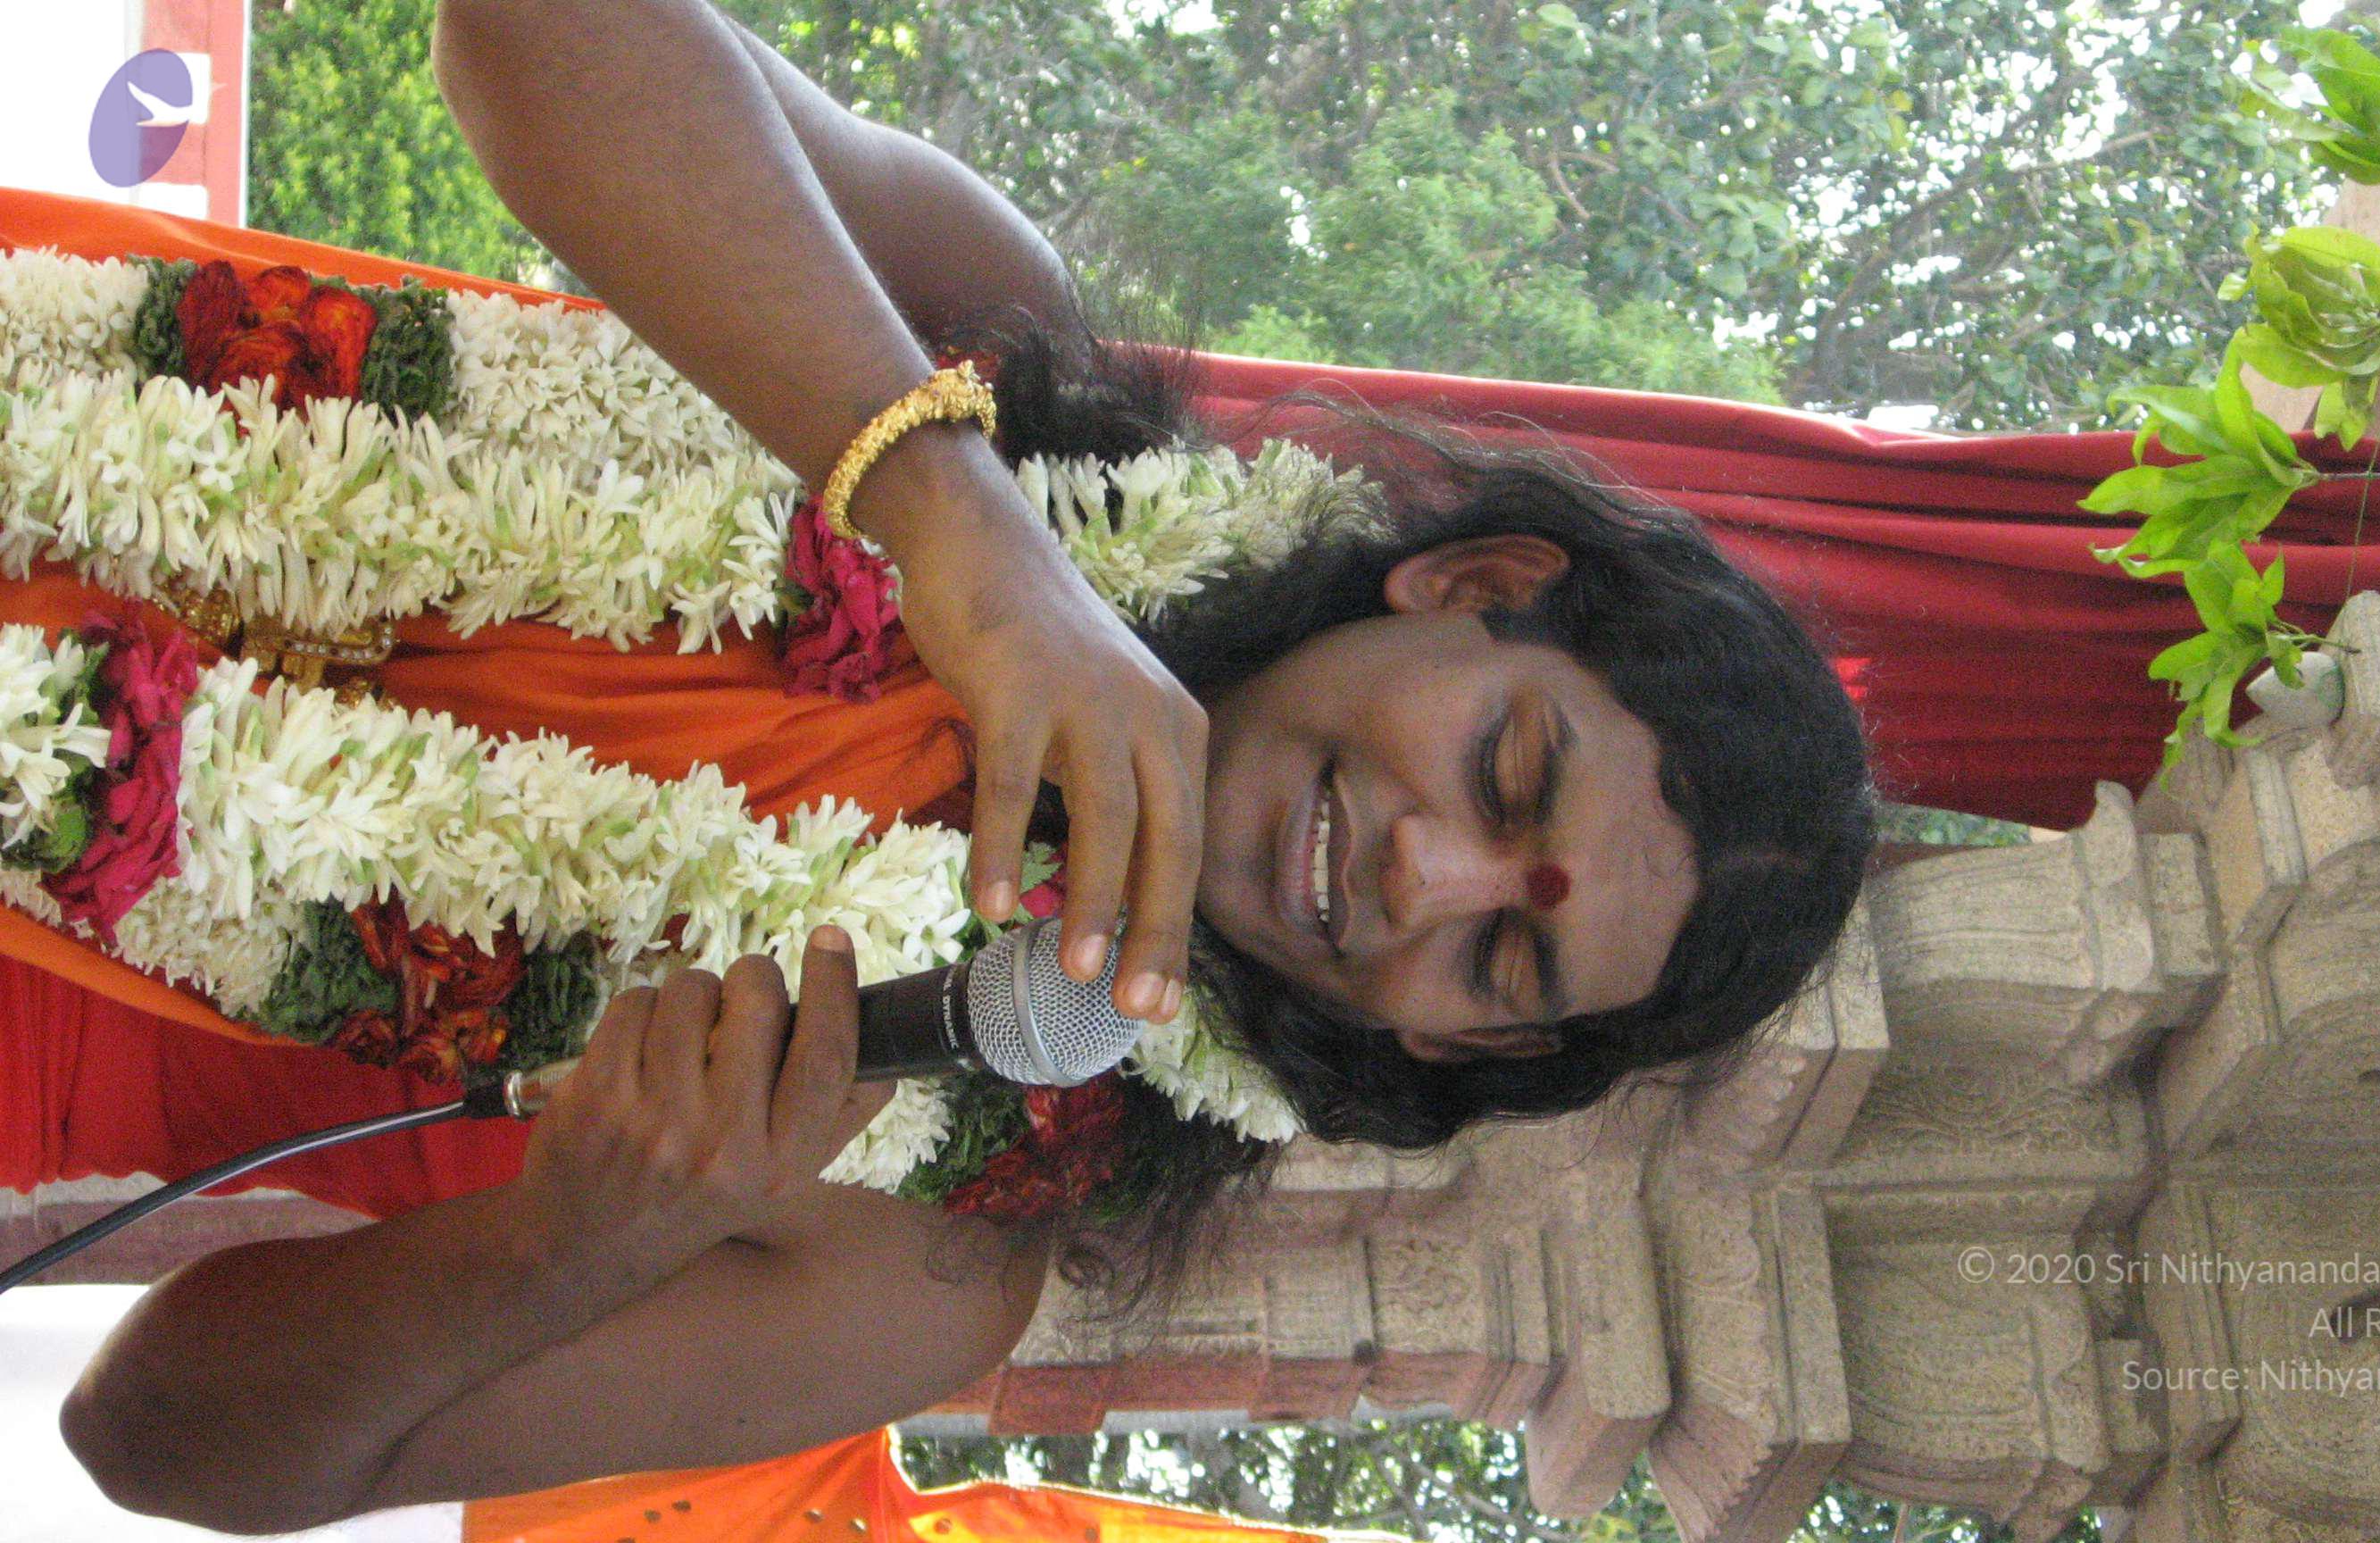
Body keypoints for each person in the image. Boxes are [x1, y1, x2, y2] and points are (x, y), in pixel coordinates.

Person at [22, 0, 1877, 1533]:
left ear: (1453, 1050)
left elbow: (152, 1442)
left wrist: (567, 1247)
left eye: (1505, 959)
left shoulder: (930, 1263)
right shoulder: (998, 353)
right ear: (1471, 585)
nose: (1429, 876)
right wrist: (949, 512)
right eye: (1508, 773)